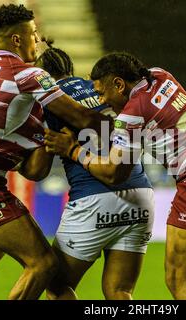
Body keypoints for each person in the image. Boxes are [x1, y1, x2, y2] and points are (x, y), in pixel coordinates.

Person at [44, 52, 186, 300]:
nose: (101, 100)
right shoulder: (161, 75)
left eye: (102, 93)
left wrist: (73, 150)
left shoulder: (131, 115)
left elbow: (114, 173)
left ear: (119, 84)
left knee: (181, 280)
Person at [0, 4, 110, 300]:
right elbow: (83, 119)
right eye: (33, 33)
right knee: (42, 263)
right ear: (17, 39)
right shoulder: (28, 74)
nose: (37, 39)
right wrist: (124, 124)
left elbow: (32, 168)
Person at [34, 42, 154, 300]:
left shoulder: (50, 99)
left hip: (93, 198)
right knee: (119, 291)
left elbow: (39, 169)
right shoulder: (101, 88)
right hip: (140, 196)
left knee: (56, 286)